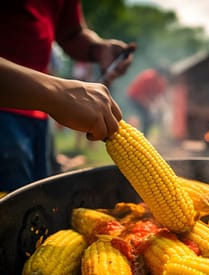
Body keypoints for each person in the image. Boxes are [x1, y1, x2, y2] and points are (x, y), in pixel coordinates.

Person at [0, 1, 136, 193]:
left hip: (40, 114)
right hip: (7, 111)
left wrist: (98, 48)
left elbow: (72, 32)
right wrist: (55, 92)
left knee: (31, 204)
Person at [126, 68, 168, 139]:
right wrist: (148, 106)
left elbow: (158, 96)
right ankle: (136, 136)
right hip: (134, 98)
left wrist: (158, 106)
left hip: (145, 100)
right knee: (145, 117)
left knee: (149, 118)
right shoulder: (148, 77)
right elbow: (140, 94)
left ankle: (144, 137)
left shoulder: (160, 82)